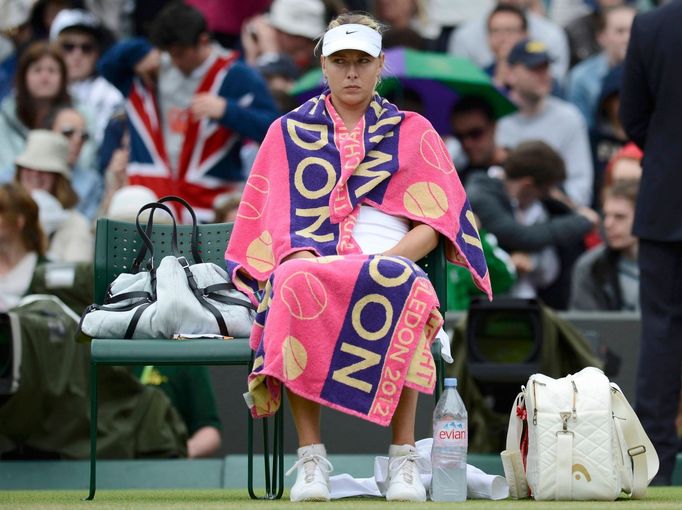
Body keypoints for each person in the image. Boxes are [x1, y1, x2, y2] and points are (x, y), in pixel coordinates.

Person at [225, 12, 491, 502]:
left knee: (401, 279)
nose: (351, 72)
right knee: (292, 282)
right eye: (341, 61)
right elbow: (275, 220)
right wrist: (311, 256)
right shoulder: (285, 132)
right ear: (322, 66)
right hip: (309, 255)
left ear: (380, 66)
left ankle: (405, 458)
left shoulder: (413, 130)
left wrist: (385, 259)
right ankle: (311, 462)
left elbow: (435, 223)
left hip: (390, 254)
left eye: (362, 62)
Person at [99, 2, 279, 221]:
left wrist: (227, 110)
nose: (174, 61)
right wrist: (140, 51)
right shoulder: (150, 68)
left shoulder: (236, 75)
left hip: (210, 207)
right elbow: (105, 66)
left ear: (203, 41)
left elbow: (274, 129)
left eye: (180, 54)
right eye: (169, 53)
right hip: (151, 203)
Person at [619, 0, 682, 486]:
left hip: (667, 201)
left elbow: (634, 119)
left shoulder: (653, 24)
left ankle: (655, 463)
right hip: (664, 201)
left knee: (661, 333)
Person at [466, 140, 598, 308]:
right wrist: (583, 221)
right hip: (485, 303)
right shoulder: (481, 196)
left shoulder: (530, 204)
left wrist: (571, 207)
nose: (547, 196)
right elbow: (523, 237)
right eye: (545, 191)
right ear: (527, 184)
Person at [497, 39, 594, 207]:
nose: (544, 75)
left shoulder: (569, 117)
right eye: (534, 68)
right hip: (501, 210)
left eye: (546, 67)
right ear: (510, 74)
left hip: (553, 215)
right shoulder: (496, 115)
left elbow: (581, 187)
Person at [14, 129, 93, 262]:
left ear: (58, 178)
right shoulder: (6, 218)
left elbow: (77, 277)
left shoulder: (76, 225)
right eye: (28, 167)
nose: (35, 174)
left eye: (44, 169)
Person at [49, 8, 123, 146]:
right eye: (68, 47)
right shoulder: (40, 88)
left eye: (86, 47)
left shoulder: (111, 95)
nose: (77, 54)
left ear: (97, 54)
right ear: (53, 50)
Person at [448, 0, 570, 83]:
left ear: (526, 34)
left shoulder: (552, 33)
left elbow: (554, 84)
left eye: (511, 30)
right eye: (496, 31)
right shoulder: (464, 36)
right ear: (488, 36)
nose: (504, 38)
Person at [0, 41, 70, 173]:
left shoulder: (78, 116)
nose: (44, 78)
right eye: (37, 70)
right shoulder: (3, 119)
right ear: (23, 77)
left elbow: (84, 161)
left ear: (64, 78)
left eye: (52, 71)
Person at [570, 179, 639, 311]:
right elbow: (587, 323)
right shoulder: (591, 266)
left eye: (620, 217)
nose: (608, 224)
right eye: (606, 215)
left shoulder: (670, 266)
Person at [565, 5, 636, 129]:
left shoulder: (655, 70)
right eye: (620, 31)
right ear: (601, 37)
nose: (627, 38)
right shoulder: (581, 77)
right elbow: (582, 127)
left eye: (633, 30)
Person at [450, 95, 508, 186]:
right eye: (459, 136)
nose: (467, 143)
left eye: (475, 133)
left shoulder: (518, 169)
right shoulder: (457, 181)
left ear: (493, 127)